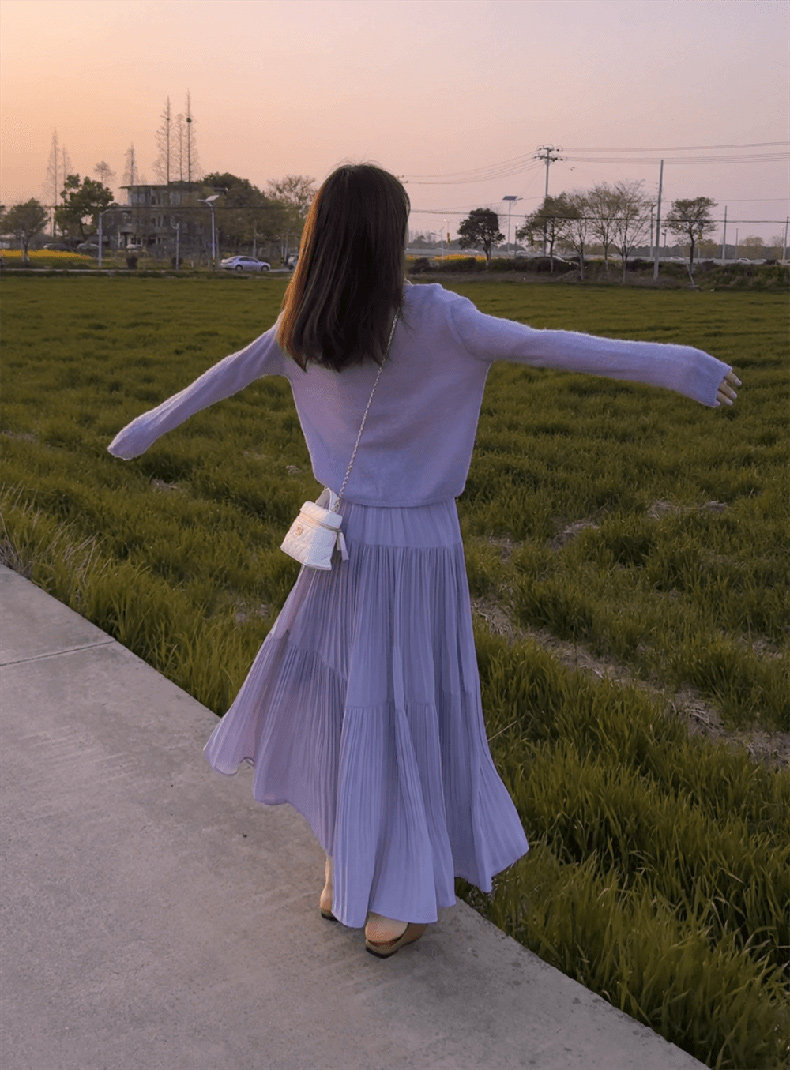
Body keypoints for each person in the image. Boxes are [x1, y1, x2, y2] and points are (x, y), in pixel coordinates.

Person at [107, 162, 740, 960]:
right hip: (418, 546)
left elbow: (214, 382)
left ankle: (346, 867)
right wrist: (679, 365)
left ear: (319, 238)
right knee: (404, 706)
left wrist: (142, 431)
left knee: (347, 698)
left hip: (340, 541)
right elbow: (549, 347)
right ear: (391, 235)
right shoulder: (439, 318)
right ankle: (395, 893)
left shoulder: (303, 326)